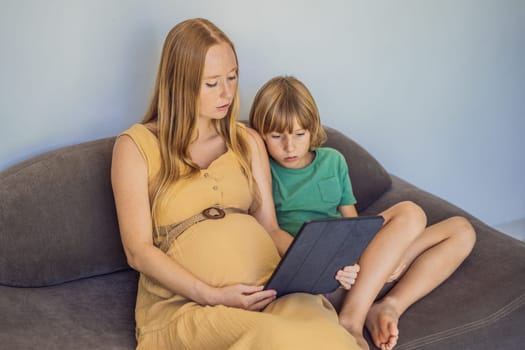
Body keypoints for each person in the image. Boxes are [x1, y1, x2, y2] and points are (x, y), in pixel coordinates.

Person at [111, 19, 361, 350]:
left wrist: (321, 264)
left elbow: (270, 228)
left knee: (332, 338)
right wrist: (213, 294)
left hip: (271, 289)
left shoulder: (247, 141)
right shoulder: (135, 146)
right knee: (277, 338)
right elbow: (137, 251)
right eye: (212, 83)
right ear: (180, 84)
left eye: (232, 77)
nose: (228, 93)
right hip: (190, 305)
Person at [249, 75, 477, 350]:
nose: (289, 147)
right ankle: (351, 321)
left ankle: (388, 306)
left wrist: (375, 257)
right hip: (311, 268)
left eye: (299, 134)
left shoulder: (333, 161)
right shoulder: (265, 171)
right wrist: (326, 261)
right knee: (404, 235)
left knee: (452, 227)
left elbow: (353, 223)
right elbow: (270, 231)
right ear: (260, 134)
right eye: (276, 136)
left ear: (312, 130)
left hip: (351, 262)